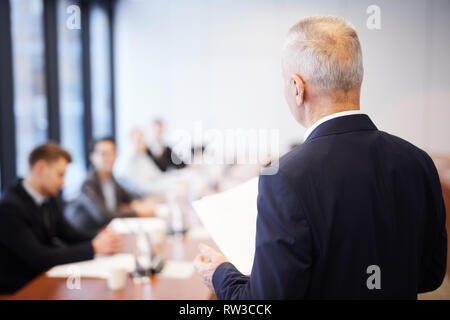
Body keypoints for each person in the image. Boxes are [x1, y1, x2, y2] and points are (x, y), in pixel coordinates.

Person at [194, 16, 447, 299]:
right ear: (359, 76)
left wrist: (220, 274)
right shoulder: (418, 161)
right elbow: (431, 275)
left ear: (297, 87)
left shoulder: (284, 177)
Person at [0, 143, 122, 294]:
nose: (63, 182)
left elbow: (68, 233)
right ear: (40, 168)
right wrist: (93, 247)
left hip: (46, 279)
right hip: (21, 289)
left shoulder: (47, 197)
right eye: (60, 174)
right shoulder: (9, 208)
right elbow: (40, 257)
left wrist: (100, 238)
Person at [64, 137, 156, 236]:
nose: (109, 158)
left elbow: (130, 196)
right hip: (86, 238)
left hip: (107, 234)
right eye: (103, 154)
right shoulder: (88, 185)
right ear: (93, 157)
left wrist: (137, 203)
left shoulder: (111, 179)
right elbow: (104, 216)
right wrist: (137, 213)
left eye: (112, 153)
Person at [114, 129, 176, 196]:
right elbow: (141, 188)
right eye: (139, 140)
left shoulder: (141, 155)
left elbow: (157, 174)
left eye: (143, 140)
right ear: (130, 142)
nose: (143, 143)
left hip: (153, 191)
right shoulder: (128, 161)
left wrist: (173, 181)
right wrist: (171, 186)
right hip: (139, 198)